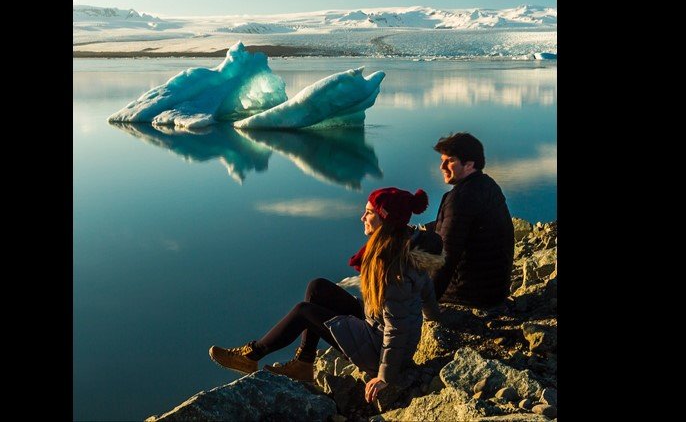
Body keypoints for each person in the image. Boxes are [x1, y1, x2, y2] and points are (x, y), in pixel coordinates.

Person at [209, 187, 444, 403]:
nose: (363, 217)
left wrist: (384, 376)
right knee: (317, 288)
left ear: (385, 219)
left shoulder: (391, 268)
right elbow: (426, 291)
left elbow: (397, 329)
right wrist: (435, 318)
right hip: (375, 327)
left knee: (304, 311)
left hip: (378, 350)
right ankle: (304, 362)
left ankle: (251, 355)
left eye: (369, 212)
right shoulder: (408, 245)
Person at [424, 132, 515, 308]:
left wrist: (427, 303)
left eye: (449, 161)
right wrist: (425, 230)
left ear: (469, 164)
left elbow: (445, 258)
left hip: (468, 295)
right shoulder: (487, 185)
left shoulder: (461, 198)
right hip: (493, 290)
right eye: (442, 160)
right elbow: (462, 227)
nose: (442, 166)